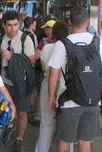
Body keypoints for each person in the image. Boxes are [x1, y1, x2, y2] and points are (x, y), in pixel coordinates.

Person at [48, 7, 102, 152]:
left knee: (64, 142)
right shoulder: (100, 42)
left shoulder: (62, 44)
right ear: (88, 22)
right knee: (85, 143)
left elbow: (53, 74)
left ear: (69, 22)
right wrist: (101, 94)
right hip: (93, 101)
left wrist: (51, 97)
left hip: (68, 101)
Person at [0, 11, 35, 152]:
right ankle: (7, 132)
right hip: (5, 83)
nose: (13, 28)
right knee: (5, 112)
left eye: (15, 24)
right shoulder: (0, 38)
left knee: (21, 113)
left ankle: (19, 139)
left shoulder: (25, 38)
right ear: (3, 25)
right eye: (9, 25)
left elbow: (31, 60)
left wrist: (14, 57)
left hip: (22, 84)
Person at [35, 20, 70, 152]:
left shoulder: (47, 48)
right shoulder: (70, 48)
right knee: (67, 126)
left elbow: (44, 66)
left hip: (47, 84)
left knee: (46, 124)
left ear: (53, 34)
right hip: (66, 88)